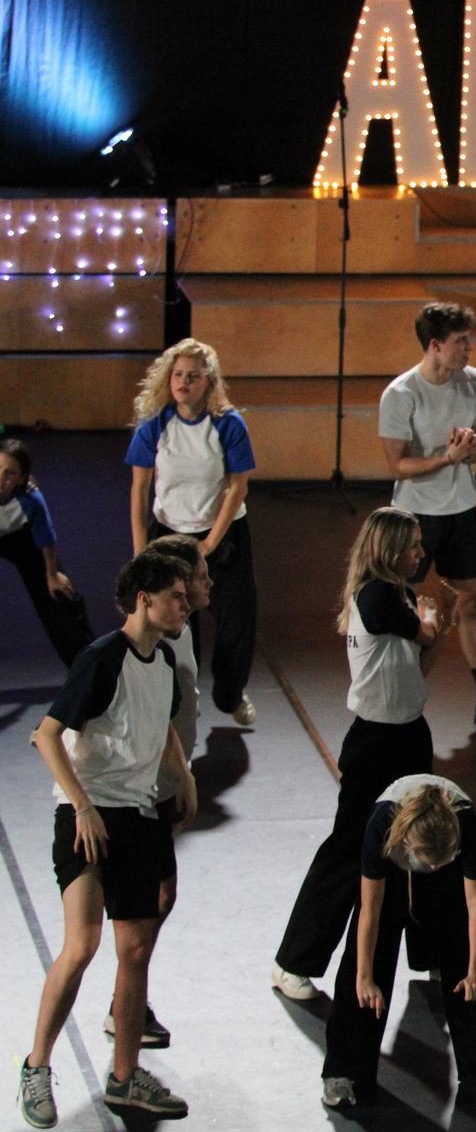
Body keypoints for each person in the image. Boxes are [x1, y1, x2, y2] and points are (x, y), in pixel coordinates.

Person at [19, 551, 197, 1128]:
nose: (186, 604)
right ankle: (36, 1066)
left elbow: (163, 722)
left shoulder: (163, 659)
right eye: (176, 596)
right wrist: (82, 806)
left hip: (138, 815)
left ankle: (124, 1077)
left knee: (136, 952)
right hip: (88, 816)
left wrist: (184, 775)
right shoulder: (101, 659)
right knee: (81, 947)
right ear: (144, 600)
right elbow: (46, 736)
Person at [272, 507, 446, 1001]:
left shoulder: (400, 595)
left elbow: (417, 666)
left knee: (422, 845)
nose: (421, 553)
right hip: (375, 743)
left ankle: (430, 954)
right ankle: (293, 962)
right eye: (413, 545)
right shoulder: (376, 596)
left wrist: (438, 622)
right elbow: (424, 634)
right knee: (350, 849)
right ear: (389, 549)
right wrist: (433, 620)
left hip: (410, 734)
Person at [321, 774, 476, 1112]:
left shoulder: (466, 822)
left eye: (440, 860)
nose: (433, 867)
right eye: (429, 862)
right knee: (362, 966)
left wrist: (475, 970)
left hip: (450, 873)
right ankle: (345, 1071)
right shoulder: (382, 824)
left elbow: (475, 903)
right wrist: (365, 977)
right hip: (394, 867)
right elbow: (370, 908)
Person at [378, 301, 476, 736]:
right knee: (403, 608)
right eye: (460, 342)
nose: (468, 349)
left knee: (470, 602)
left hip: (462, 511)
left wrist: (472, 449)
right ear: (435, 345)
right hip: (416, 516)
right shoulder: (401, 394)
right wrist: (447, 458)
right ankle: (395, 699)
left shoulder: (474, 382)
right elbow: (397, 465)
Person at [102, 535, 211, 1053]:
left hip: (168, 782)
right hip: (142, 792)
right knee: (140, 914)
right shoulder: (154, 641)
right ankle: (124, 1007)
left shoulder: (180, 632)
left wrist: (184, 775)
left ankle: (126, 1000)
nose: (208, 584)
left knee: (163, 897)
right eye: (200, 577)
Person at [126, 338, 258, 727]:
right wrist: (141, 548)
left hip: (223, 536)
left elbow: (238, 487)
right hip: (169, 534)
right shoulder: (154, 424)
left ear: (208, 382)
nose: (183, 382)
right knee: (174, 623)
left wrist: (211, 542)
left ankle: (230, 695)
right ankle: (183, 697)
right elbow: (139, 488)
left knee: (237, 623)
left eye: (193, 376)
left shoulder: (227, 424)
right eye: (178, 375)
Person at [0, 437, 95, 667]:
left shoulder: (31, 499)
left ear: (20, 478)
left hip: (20, 537)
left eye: (9, 474)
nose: (0, 478)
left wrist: (52, 574)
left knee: (58, 595)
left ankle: (87, 668)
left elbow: (46, 539)